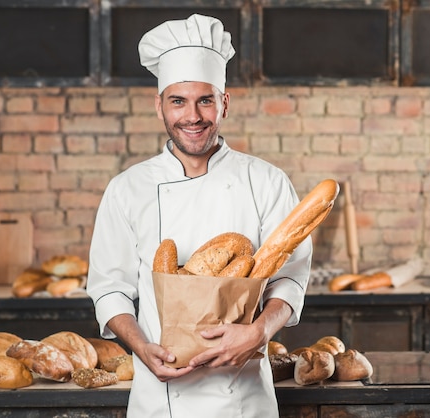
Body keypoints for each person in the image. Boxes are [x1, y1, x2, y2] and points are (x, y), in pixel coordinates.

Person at [86, 14, 312, 418]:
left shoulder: (266, 181)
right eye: (178, 101)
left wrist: (258, 332)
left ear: (224, 103)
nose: (192, 116)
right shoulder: (127, 188)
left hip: (244, 399)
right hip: (159, 401)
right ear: (160, 106)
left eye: (204, 100)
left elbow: (291, 278)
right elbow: (109, 289)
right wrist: (141, 347)